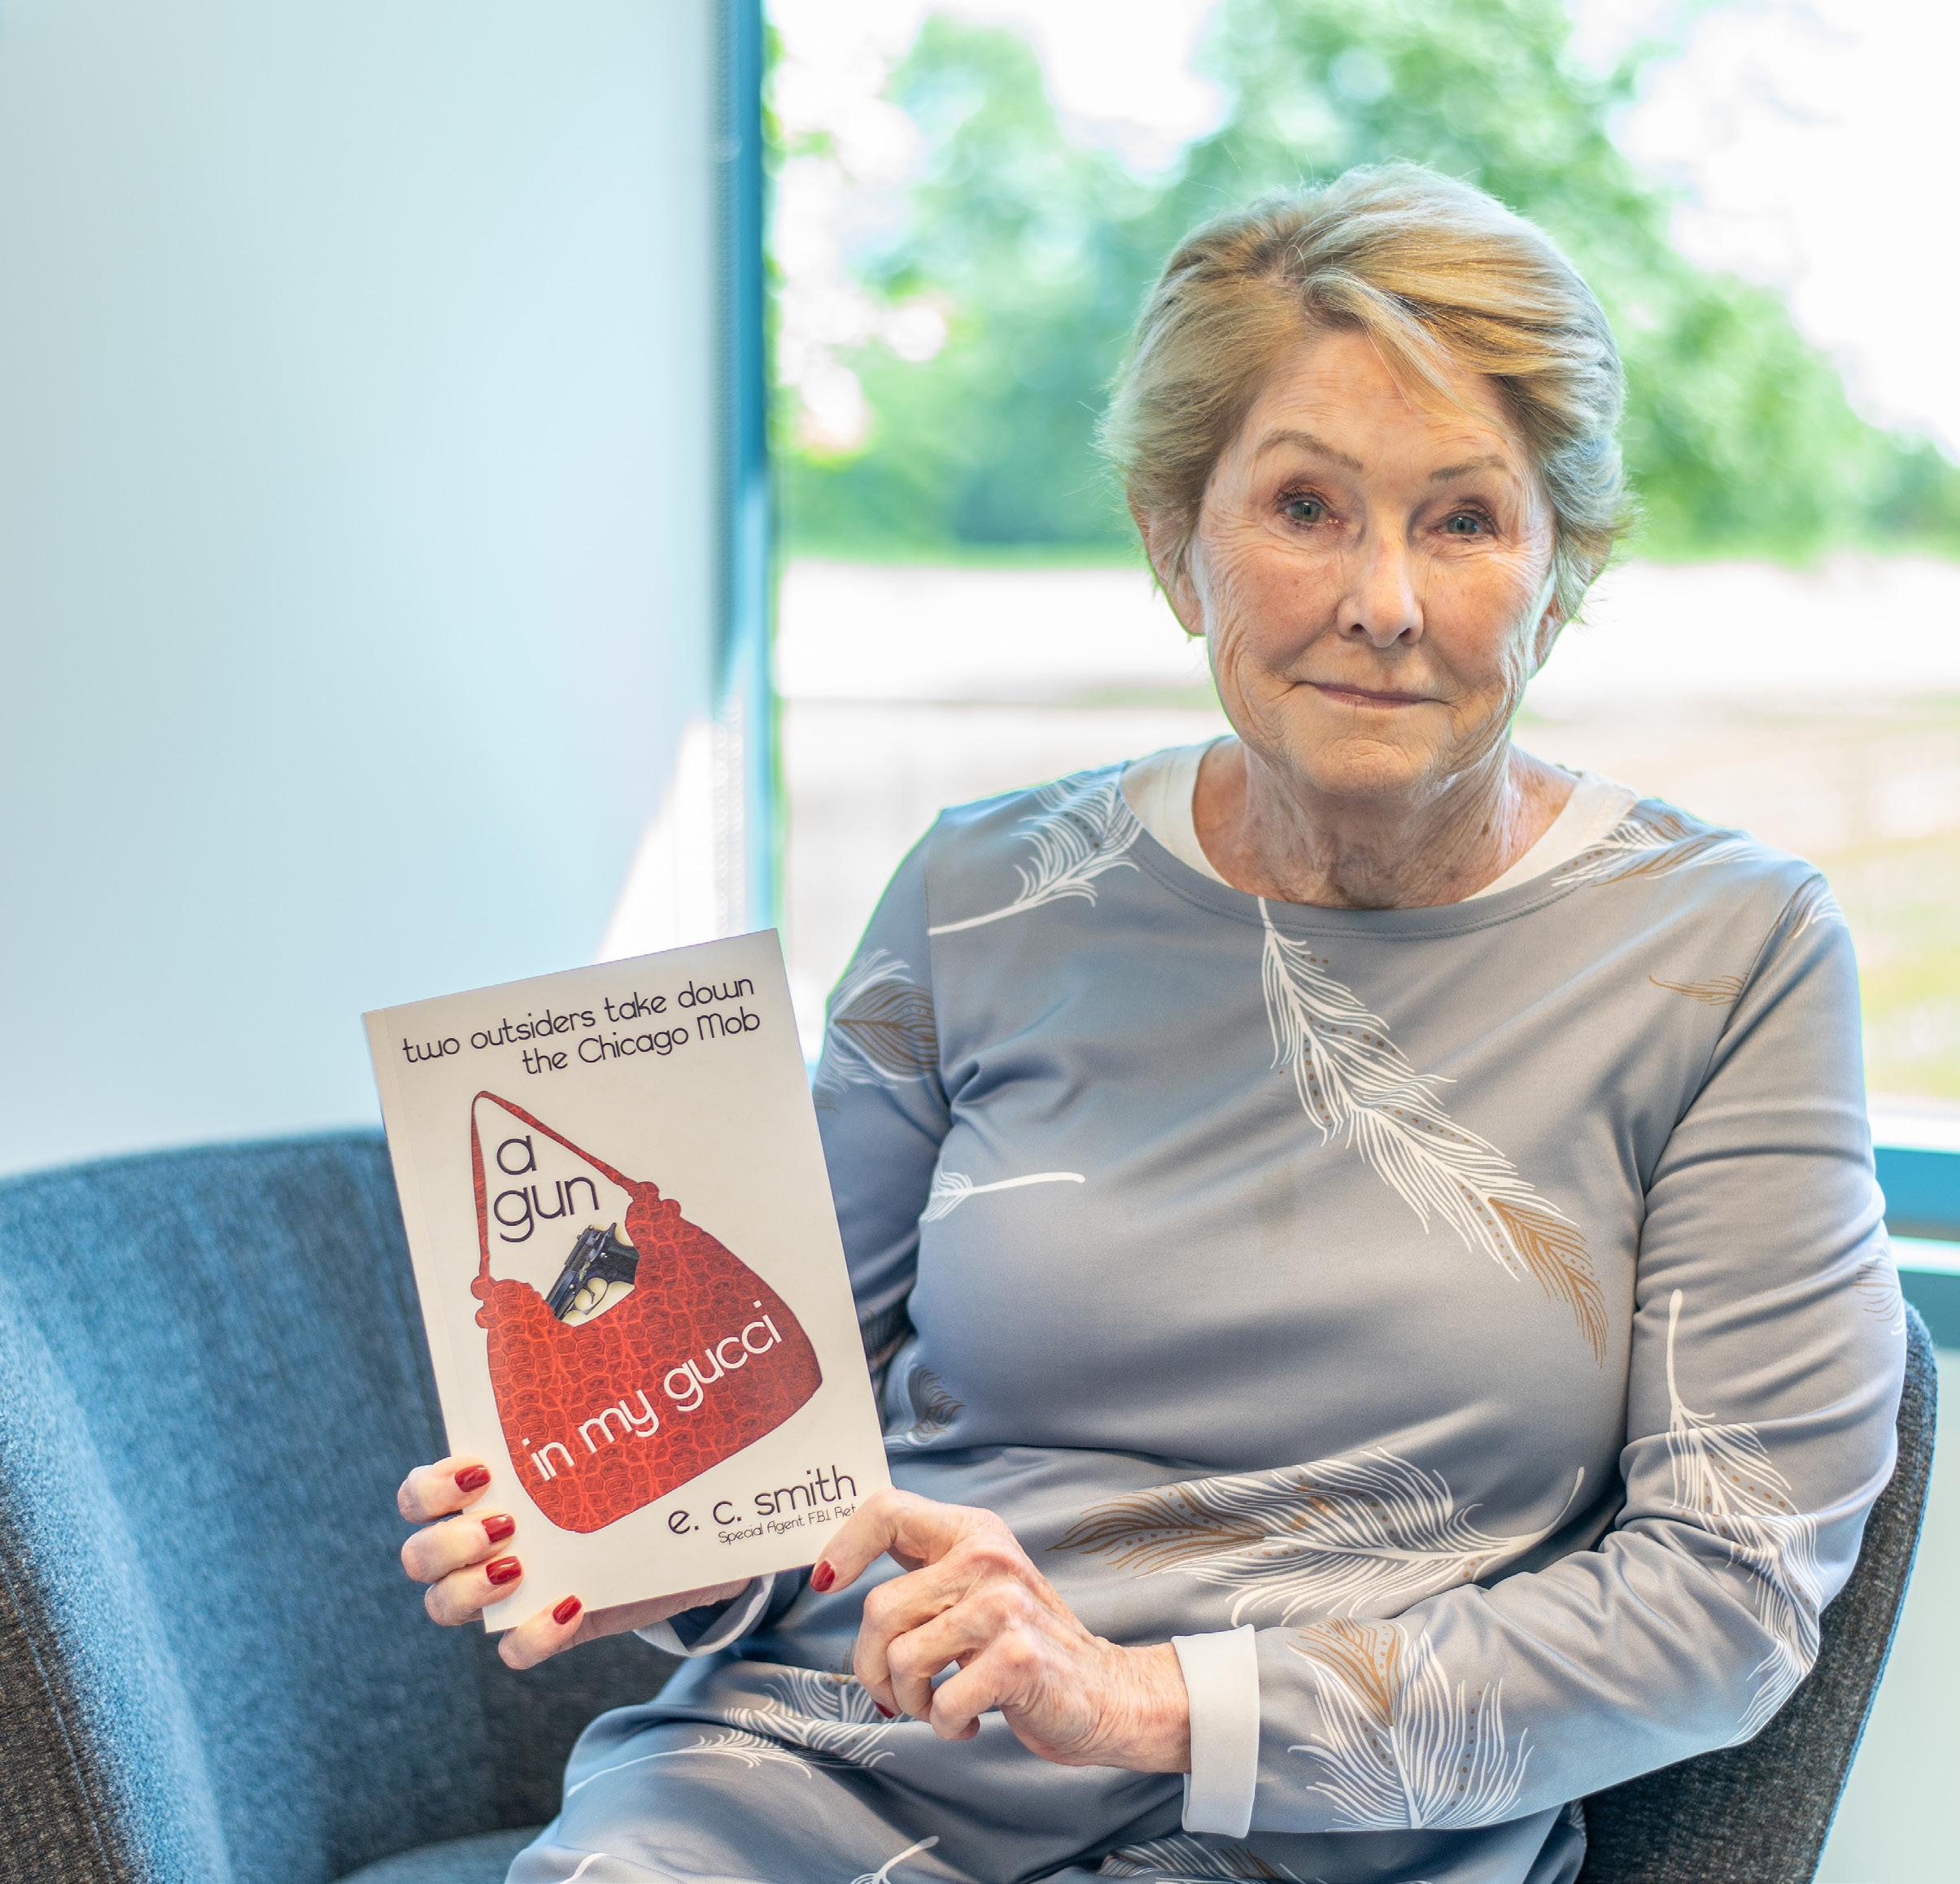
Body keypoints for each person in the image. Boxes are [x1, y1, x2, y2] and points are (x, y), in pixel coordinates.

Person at [393, 161, 1907, 1884]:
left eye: (1464, 521)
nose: (1383, 600)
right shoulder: (979, 893)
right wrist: (657, 1539)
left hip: (1331, 1832)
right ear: (1173, 544)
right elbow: (776, 1433)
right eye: (1304, 507)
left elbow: (1724, 1599)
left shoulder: (1730, 951)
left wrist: (1134, 1700)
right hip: (846, 1757)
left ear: (1560, 575)